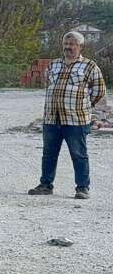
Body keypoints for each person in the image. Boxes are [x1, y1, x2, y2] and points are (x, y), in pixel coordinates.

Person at [28, 31, 105, 199]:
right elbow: (47, 85)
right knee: (48, 154)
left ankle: (82, 188)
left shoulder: (90, 66)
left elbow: (99, 91)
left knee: (78, 154)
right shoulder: (53, 65)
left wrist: (84, 105)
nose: (68, 47)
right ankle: (45, 185)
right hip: (51, 118)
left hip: (76, 120)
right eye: (66, 44)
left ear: (80, 47)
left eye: (72, 44)